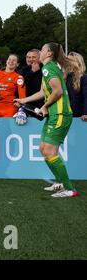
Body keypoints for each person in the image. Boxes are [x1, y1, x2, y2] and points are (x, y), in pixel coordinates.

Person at [14, 43, 77, 198]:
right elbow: (43, 92)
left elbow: (58, 91)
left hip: (60, 114)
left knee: (49, 151)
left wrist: (44, 107)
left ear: (48, 53)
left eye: (42, 50)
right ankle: (60, 182)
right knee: (44, 149)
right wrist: (23, 100)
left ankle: (69, 189)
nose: (39, 52)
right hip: (55, 115)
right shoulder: (48, 68)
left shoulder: (48, 68)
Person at [66, 52, 87, 120]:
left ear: (78, 62)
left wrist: (85, 113)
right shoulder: (67, 77)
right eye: (67, 60)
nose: (68, 62)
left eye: (71, 60)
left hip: (80, 116)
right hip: (67, 115)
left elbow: (86, 97)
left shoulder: (84, 78)